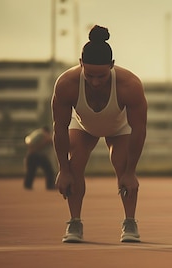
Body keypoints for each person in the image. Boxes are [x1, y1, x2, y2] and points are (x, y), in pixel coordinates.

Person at [51, 25, 147, 243]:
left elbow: (139, 130)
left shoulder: (130, 85)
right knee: (74, 163)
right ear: (80, 64)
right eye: (89, 75)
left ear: (112, 66)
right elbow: (60, 127)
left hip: (118, 127)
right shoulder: (66, 84)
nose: (95, 82)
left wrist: (131, 171)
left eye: (101, 76)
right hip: (84, 126)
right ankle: (74, 222)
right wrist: (62, 169)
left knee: (122, 165)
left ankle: (129, 222)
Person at [23, 126, 56, 190]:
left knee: (31, 171)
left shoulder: (36, 133)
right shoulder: (42, 134)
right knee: (48, 169)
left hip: (32, 155)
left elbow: (29, 142)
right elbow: (48, 141)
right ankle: (50, 185)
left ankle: (27, 185)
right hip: (37, 155)